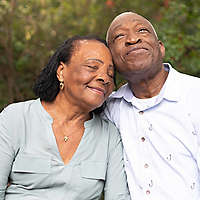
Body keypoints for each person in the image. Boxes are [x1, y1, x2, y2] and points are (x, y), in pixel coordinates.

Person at [0, 35, 130, 200]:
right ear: (61, 72)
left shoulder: (109, 135)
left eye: (110, 75)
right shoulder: (16, 118)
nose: (104, 78)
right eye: (92, 66)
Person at [104, 11, 200, 200]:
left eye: (142, 30)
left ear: (161, 48)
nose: (132, 39)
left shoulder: (195, 95)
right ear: (111, 59)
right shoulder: (109, 109)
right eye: (120, 36)